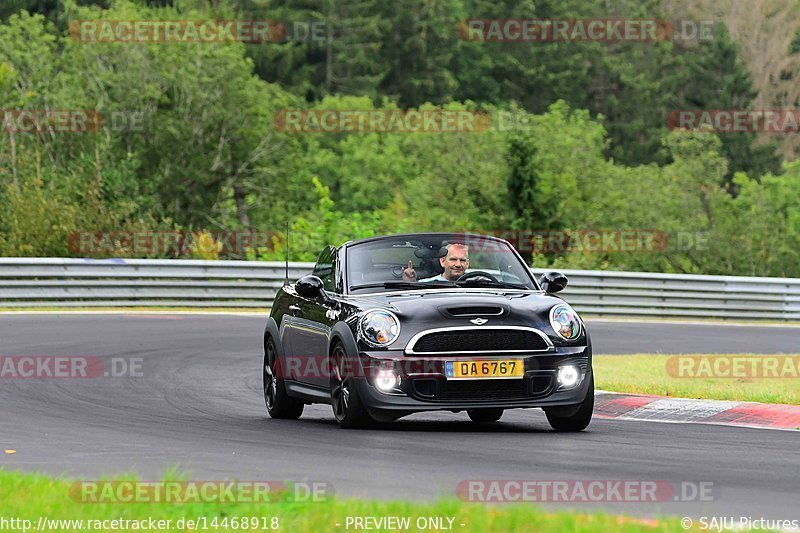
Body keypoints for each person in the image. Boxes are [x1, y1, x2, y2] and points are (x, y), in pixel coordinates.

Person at [402, 243, 469, 283]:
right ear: (442, 262)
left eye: (462, 260)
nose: (458, 265)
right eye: (453, 259)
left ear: (467, 264)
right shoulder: (426, 284)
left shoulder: (476, 285)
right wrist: (410, 283)